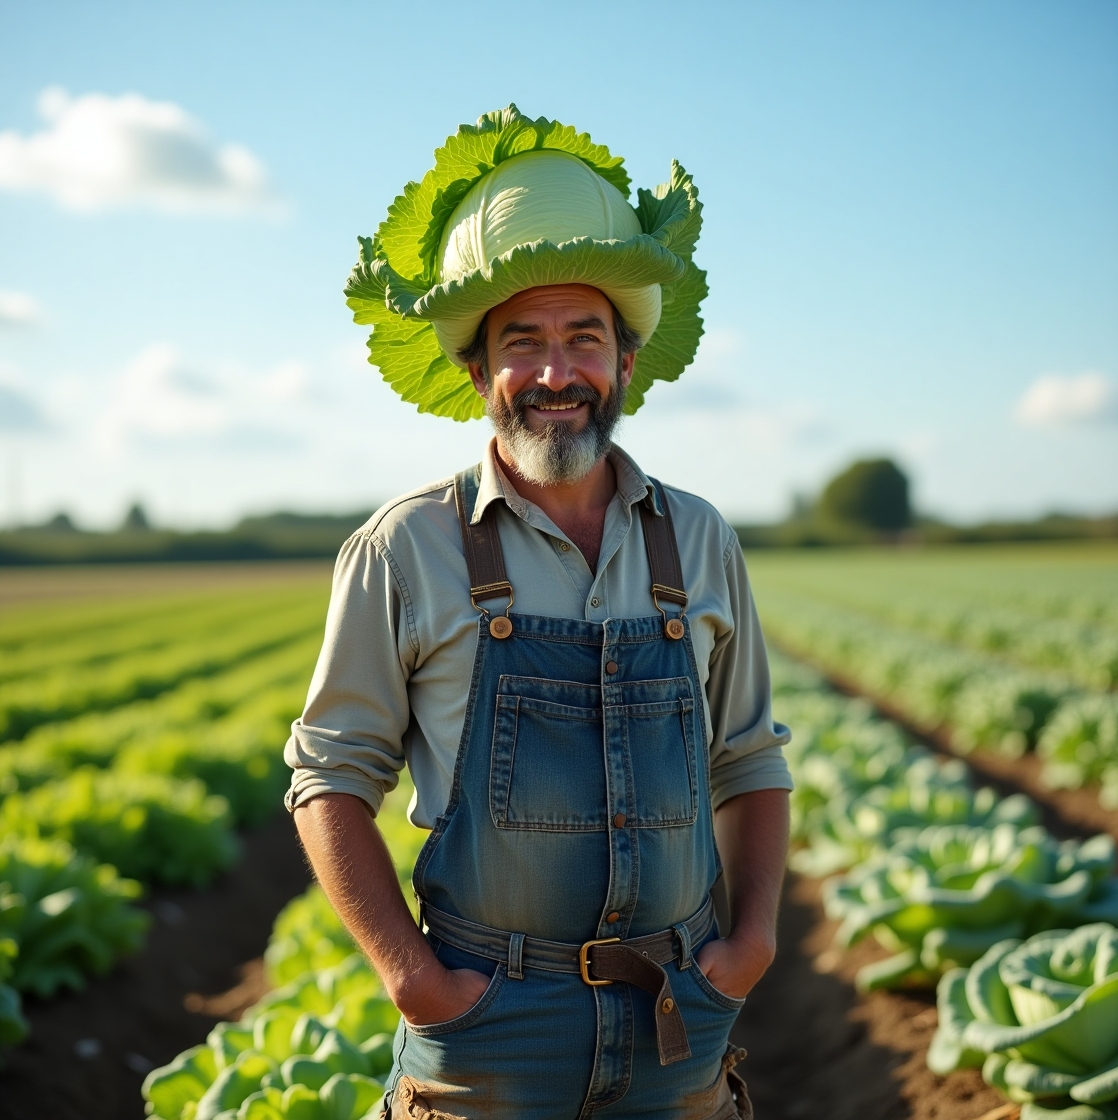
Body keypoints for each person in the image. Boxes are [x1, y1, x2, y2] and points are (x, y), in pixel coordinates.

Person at [285, 106, 792, 1120]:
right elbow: (328, 774)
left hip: (676, 1017)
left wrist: (752, 944)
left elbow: (747, 756)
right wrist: (414, 976)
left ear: (626, 365)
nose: (555, 373)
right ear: (477, 370)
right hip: (490, 1032)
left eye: (583, 339)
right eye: (523, 342)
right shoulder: (405, 546)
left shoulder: (697, 538)